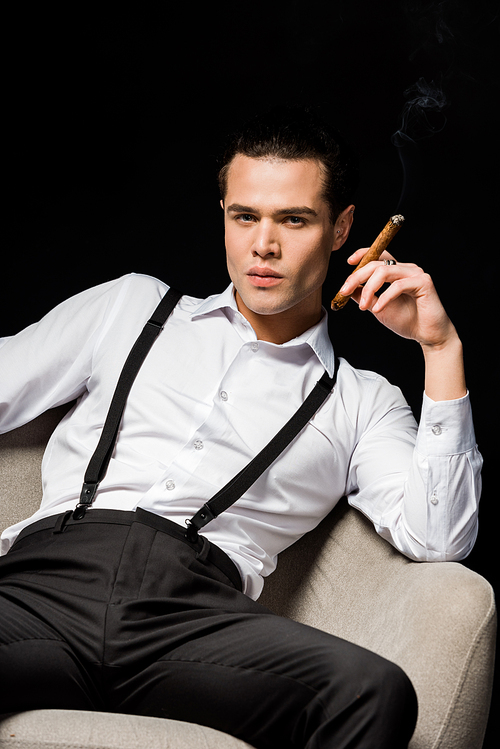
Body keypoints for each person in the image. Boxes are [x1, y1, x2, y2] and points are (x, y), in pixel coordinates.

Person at [0, 106, 481, 748]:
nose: (264, 245)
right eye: (245, 216)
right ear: (223, 213)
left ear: (341, 230)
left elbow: (440, 538)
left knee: (373, 690)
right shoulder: (132, 306)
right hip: (43, 588)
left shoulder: (363, 401)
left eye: (294, 220)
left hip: (191, 625)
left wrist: (441, 348)